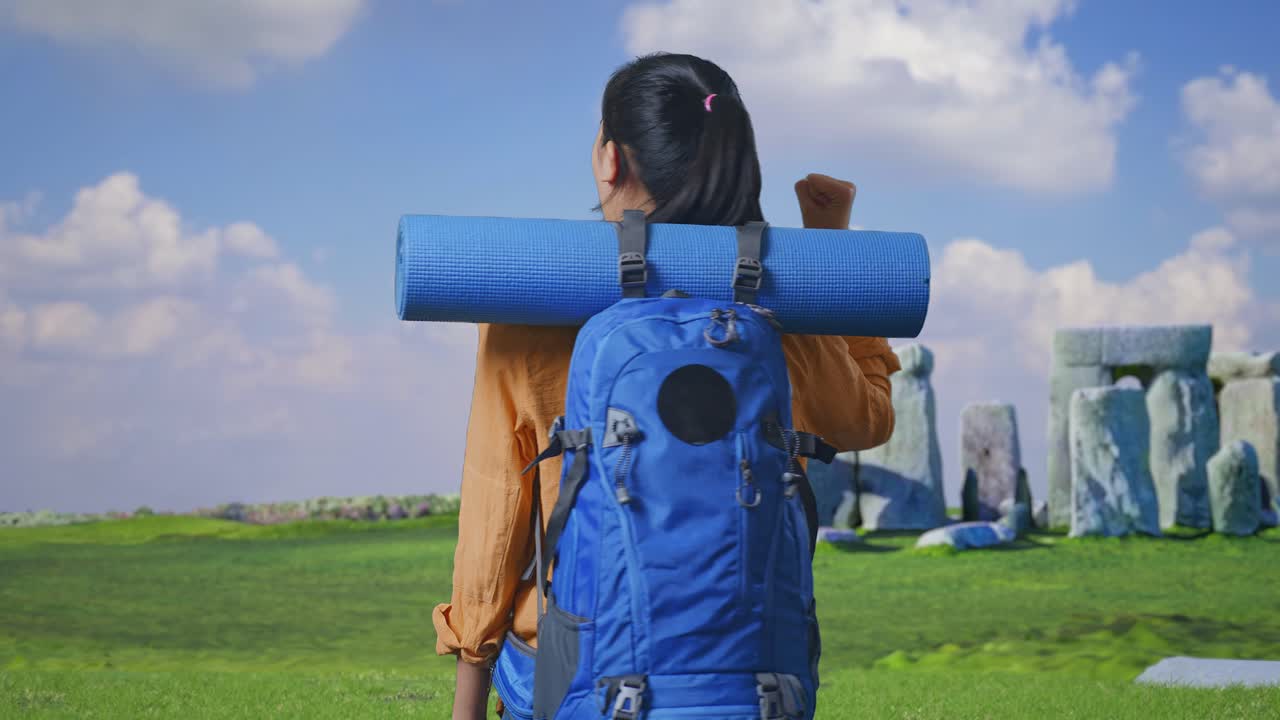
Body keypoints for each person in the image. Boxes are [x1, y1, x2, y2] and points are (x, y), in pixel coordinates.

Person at [433, 52, 902, 720]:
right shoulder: (778, 311)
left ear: (610, 160)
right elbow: (867, 420)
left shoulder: (527, 304)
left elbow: (495, 519)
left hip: (579, 677)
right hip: (746, 682)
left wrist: (468, 695)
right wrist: (830, 253)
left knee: (541, 657)